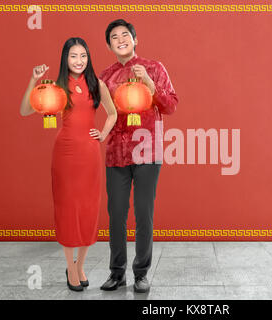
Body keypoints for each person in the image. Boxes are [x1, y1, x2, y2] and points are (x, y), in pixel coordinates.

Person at [20, 37, 117, 292]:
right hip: (64, 153)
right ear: (65, 58)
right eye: (73, 56)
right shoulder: (58, 85)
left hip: (89, 154)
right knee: (67, 208)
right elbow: (25, 110)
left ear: (89, 58)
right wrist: (35, 80)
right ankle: (70, 267)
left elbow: (113, 112)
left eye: (83, 56)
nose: (79, 61)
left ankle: (80, 264)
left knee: (87, 209)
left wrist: (104, 134)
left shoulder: (97, 84)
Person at [99, 19, 179, 293]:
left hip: (147, 149)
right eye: (114, 37)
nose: (120, 39)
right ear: (109, 44)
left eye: (125, 35)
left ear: (135, 39)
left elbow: (170, 106)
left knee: (144, 214)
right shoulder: (105, 76)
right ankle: (117, 272)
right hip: (116, 152)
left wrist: (148, 82)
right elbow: (92, 106)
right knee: (116, 214)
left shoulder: (154, 68)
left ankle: (141, 274)